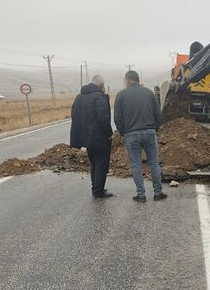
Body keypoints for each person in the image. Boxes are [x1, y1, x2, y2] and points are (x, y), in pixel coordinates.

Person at [114, 71, 167, 202]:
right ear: (138, 80)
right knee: (154, 163)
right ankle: (158, 193)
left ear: (127, 80)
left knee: (136, 165)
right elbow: (158, 115)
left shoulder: (121, 95)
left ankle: (141, 195)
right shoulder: (149, 93)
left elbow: (117, 118)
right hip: (149, 132)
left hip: (131, 134)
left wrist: (123, 133)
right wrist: (155, 128)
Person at [70, 75, 113, 199]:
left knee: (94, 163)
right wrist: (109, 134)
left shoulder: (79, 97)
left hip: (86, 138)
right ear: (100, 85)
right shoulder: (99, 97)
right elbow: (103, 118)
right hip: (99, 137)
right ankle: (98, 190)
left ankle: (95, 187)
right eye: (103, 85)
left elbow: (73, 115)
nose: (104, 88)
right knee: (101, 163)